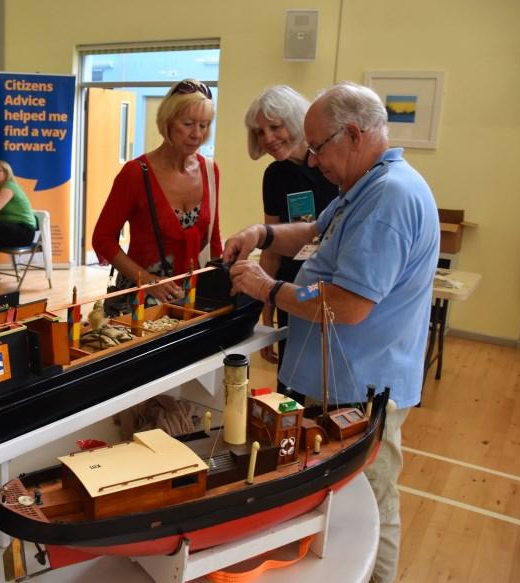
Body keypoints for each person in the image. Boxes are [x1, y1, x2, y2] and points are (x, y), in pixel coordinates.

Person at [224, 82, 439, 583]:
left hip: (359, 389)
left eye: (319, 146)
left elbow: (346, 305)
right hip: (338, 382)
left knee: (371, 508)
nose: (314, 159)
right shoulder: (363, 186)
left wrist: (267, 288)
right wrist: (261, 234)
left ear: (355, 135)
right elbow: (313, 232)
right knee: (337, 503)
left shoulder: (388, 198)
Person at [92, 78, 221, 312]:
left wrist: (219, 285)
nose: (197, 134)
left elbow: (213, 240)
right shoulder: (136, 173)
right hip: (140, 301)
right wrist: (148, 281)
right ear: (167, 121)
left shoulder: (210, 171)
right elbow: (103, 239)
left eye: (204, 125)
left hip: (191, 298)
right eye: (188, 124)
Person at [244, 85, 338, 400]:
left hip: (332, 290)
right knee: (291, 386)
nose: (268, 138)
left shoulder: (332, 167)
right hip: (291, 290)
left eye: (275, 127)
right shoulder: (275, 175)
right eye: (260, 132)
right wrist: (266, 311)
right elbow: (271, 246)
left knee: (331, 387)